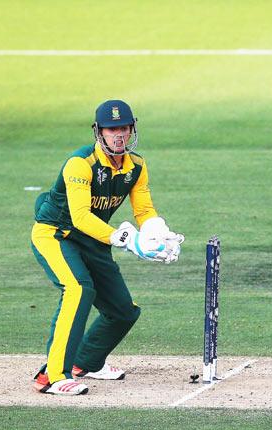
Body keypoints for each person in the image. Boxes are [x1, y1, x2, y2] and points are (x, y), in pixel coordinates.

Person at [31, 100, 184, 395]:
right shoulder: (81, 163)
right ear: (99, 132)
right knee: (78, 288)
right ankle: (52, 376)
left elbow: (144, 209)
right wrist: (128, 240)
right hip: (57, 235)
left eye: (124, 128)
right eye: (111, 129)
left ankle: (85, 362)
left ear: (132, 129)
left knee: (123, 311)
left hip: (94, 241)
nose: (119, 135)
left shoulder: (136, 166)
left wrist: (157, 231)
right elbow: (80, 216)